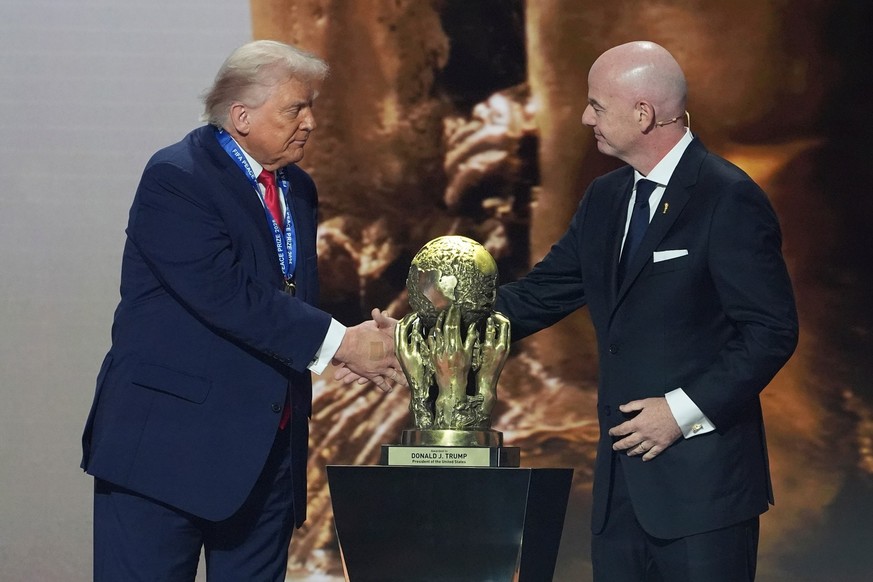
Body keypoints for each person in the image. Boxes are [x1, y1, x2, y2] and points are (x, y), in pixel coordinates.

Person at [80, 40, 404, 582]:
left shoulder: (296, 187)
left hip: (266, 455)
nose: (311, 122)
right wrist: (340, 343)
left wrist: (340, 348)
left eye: (310, 106)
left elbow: (286, 297)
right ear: (242, 116)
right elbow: (225, 294)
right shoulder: (176, 178)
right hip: (165, 453)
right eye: (295, 108)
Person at [494, 41, 798, 581]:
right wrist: (430, 327)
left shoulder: (726, 196)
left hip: (703, 496)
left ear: (643, 113)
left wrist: (680, 412)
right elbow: (541, 294)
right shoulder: (605, 199)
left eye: (597, 105)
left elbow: (769, 332)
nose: (586, 117)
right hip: (619, 495)